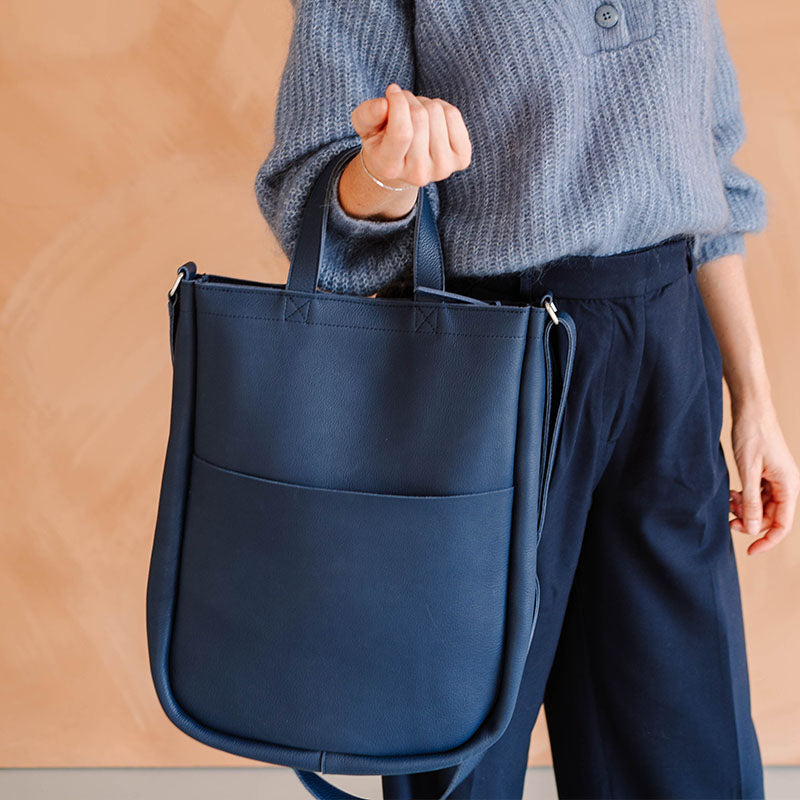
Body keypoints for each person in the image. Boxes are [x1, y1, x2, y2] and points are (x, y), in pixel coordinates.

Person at [254, 2, 800, 798]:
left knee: (693, 758)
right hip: (486, 367)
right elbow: (314, 198)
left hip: (669, 358)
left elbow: (708, 168)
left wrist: (754, 399)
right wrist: (386, 173)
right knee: (460, 758)